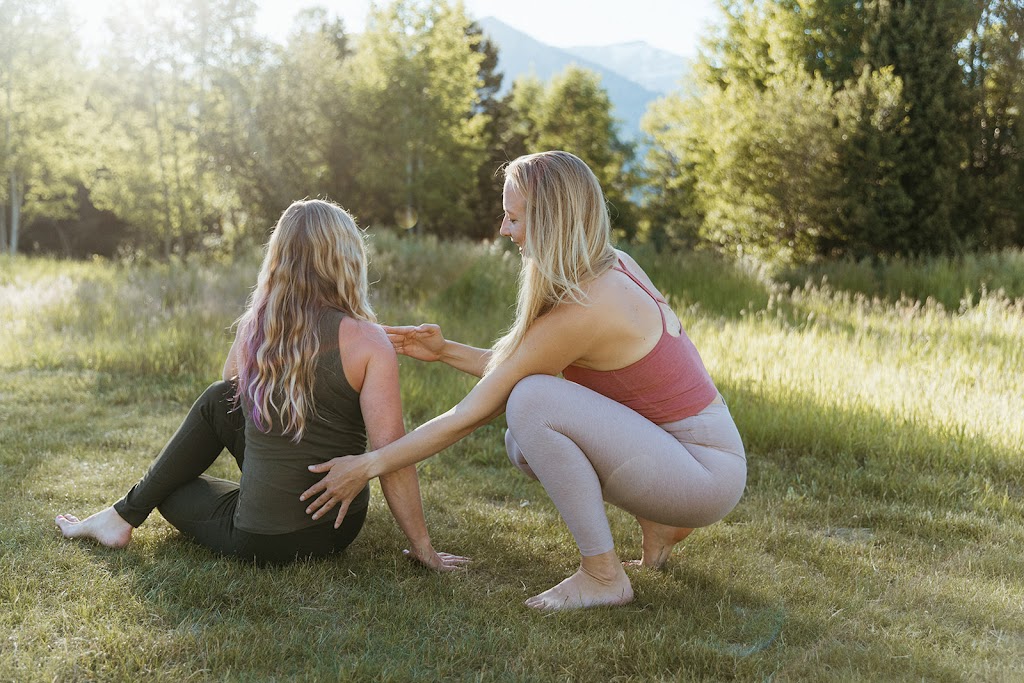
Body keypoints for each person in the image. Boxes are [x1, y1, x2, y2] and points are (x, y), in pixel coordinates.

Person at [299, 151, 746, 609]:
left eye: (513, 217)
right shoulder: (610, 267)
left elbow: (470, 414)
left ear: (550, 221)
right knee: (522, 439)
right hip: (693, 458)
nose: (503, 229)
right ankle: (661, 522)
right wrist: (446, 350)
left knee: (532, 404)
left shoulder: (588, 307)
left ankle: (602, 575)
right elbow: (524, 362)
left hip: (704, 473)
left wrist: (369, 464)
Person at [56, 199, 466, 570]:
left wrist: (267, 315)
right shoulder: (371, 340)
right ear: (348, 259)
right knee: (221, 401)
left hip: (261, 539)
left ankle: (122, 516)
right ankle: (122, 515)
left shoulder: (258, 327)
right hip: (339, 528)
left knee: (174, 476)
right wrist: (422, 547)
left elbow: (230, 396)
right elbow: (392, 451)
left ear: (280, 258)